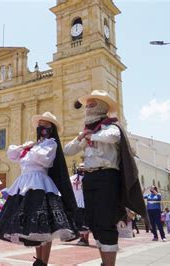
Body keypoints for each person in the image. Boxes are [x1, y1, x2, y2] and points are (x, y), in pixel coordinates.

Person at [64, 90, 148, 266]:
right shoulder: (87, 131)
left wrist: (91, 135)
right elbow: (68, 150)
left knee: (106, 221)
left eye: (92, 104)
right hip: (90, 178)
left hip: (107, 177)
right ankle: (104, 263)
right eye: (87, 105)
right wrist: (82, 136)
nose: (87, 107)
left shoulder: (110, 126)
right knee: (94, 221)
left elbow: (113, 137)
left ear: (102, 106)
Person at [0, 112, 78, 266]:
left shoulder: (51, 144)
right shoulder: (33, 146)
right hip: (24, 185)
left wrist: (32, 147)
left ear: (51, 128)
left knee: (45, 227)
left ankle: (43, 262)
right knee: (33, 227)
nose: (42, 128)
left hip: (40, 184)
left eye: (46, 125)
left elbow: (42, 159)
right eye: (40, 125)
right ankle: (38, 261)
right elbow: (12, 154)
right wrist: (24, 146)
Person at [70, 163, 90, 246]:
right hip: (78, 203)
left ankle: (85, 239)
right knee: (80, 223)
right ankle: (83, 239)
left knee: (85, 223)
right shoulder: (72, 178)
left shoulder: (88, 178)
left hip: (85, 203)